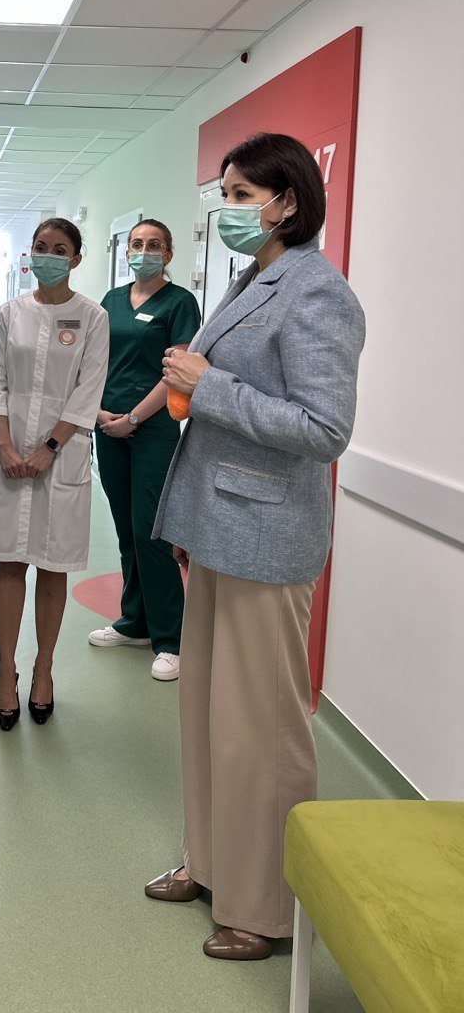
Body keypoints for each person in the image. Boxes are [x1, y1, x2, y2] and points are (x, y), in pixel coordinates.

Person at [145, 133, 365, 961]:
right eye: (226, 193)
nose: (228, 208)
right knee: (210, 717)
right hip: (219, 529)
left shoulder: (319, 293)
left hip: (267, 538)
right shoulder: (252, 277)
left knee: (262, 730)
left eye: (241, 195)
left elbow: (324, 428)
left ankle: (266, 908)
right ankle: (213, 867)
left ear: (288, 201)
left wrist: (211, 386)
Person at [0, 218, 109, 729]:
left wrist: (50, 447)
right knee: (10, 562)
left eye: (59, 248)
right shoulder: (11, 313)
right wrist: (6, 446)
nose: (47, 255)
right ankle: (5, 672)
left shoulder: (92, 317)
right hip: (8, 454)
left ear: (76, 258)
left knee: (53, 566)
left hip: (63, 455)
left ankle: (43, 669)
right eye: (40, 247)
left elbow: (89, 389)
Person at [89, 219, 201, 681]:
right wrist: (100, 414)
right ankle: (134, 621)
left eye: (154, 244)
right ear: (126, 251)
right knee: (125, 529)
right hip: (107, 425)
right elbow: (94, 361)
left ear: (168, 254)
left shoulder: (180, 302)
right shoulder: (112, 300)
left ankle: (171, 639)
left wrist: (133, 418)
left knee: (151, 531)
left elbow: (177, 373)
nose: (144, 250)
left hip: (152, 428)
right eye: (137, 244)